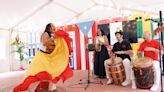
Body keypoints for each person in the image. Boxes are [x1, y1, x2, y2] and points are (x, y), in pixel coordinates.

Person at [14, 23, 73, 92]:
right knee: (39, 73)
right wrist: (53, 38)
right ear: (49, 28)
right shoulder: (45, 34)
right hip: (42, 56)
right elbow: (45, 43)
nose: (54, 28)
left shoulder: (52, 35)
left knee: (52, 72)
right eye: (53, 27)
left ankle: (52, 87)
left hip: (48, 56)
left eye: (54, 27)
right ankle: (32, 89)